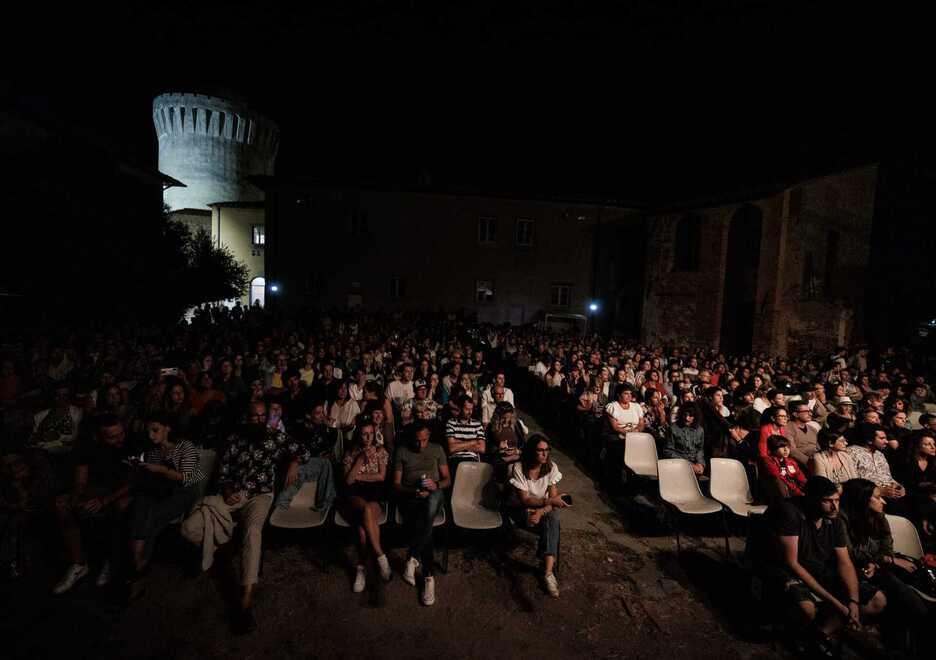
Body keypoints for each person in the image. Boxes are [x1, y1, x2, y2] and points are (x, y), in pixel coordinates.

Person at [181, 401, 310, 633]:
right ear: (247, 418)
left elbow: (304, 451)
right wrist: (228, 490)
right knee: (188, 528)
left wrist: (294, 462)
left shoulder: (275, 437)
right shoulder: (234, 439)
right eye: (255, 416)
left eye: (263, 416)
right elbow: (222, 474)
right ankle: (227, 543)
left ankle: (245, 603)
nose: (259, 420)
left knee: (252, 533)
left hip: (260, 496)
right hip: (233, 494)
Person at [766, 476, 887, 654]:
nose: (834, 506)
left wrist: (853, 601)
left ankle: (822, 633)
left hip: (817, 566)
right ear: (811, 500)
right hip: (785, 567)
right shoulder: (790, 513)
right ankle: (806, 633)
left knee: (878, 600)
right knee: (807, 609)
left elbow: (844, 562)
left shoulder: (835, 518)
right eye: (827, 501)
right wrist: (839, 605)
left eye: (837, 500)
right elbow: (792, 563)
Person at [839, 479, 928, 654]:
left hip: (879, 567)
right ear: (862, 499)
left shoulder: (877, 517)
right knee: (914, 607)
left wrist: (884, 559)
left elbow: (887, 548)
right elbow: (852, 554)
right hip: (859, 572)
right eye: (878, 498)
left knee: (910, 605)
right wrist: (885, 560)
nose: (883, 502)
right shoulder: (843, 519)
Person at [52, 414, 136, 594]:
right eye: (112, 436)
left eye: (121, 433)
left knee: (116, 509)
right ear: (99, 437)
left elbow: (134, 482)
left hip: (122, 491)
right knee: (63, 506)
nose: (119, 438)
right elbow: (80, 481)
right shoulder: (87, 447)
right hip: (98, 489)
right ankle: (79, 564)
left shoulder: (131, 444)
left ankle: (111, 561)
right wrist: (73, 498)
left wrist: (105, 500)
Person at [126, 412, 204, 595]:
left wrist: (162, 470)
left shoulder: (185, 446)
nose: (151, 435)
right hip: (159, 493)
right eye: (149, 432)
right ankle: (138, 564)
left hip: (183, 493)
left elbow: (188, 478)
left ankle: (135, 565)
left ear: (167, 428)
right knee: (142, 509)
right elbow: (150, 481)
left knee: (149, 516)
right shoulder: (152, 453)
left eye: (155, 430)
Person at [393, 422, 451, 606]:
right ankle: (428, 578)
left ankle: (412, 556)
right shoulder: (402, 451)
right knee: (426, 523)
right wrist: (413, 491)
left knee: (432, 501)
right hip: (412, 496)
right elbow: (396, 484)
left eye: (424, 440)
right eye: (417, 441)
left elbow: (447, 479)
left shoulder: (437, 449)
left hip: (434, 492)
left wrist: (436, 485)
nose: (420, 445)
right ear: (411, 438)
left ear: (429, 436)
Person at [507, 435, 569, 598]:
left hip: (541, 509)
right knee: (551, 525)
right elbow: (525, 499)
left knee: (552, 519)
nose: (544, 454)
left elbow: (553, 501)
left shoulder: (551, 467)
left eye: (546, 450)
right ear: (531, 451)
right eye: (540, 450)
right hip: (520, 509)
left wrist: (541, 511)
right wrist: (549, 502)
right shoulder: (519, 468)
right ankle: (548, 570)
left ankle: (548, 573)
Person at [339, 419, 391, 593]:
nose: (368, 437)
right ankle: (381, 557)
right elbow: (348, 480)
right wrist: (360, 459)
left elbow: (381, 477)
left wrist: (359, 477)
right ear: (358, 435)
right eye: (364, 433)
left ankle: (361, 569)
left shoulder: (381, 451)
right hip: (354, 495)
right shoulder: (351, 452)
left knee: (362, 530)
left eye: (370, 433)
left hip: (374, 494)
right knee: (365, 511)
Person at [846, 423, 906, 502]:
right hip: (869, 497)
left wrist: (900, 487)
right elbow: (853, 483)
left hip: (891, 494)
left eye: (886, 438)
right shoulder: (852, 452)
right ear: (869, 440)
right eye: (882, 438)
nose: (886, 442)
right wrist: (879, 491)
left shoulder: (880, 454)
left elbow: (888, 477)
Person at [445, 394, 486, 475]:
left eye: (471, 409)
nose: (470, 412)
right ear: (460, 408)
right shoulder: (451, 423)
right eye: (467, 409)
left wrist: (458, 443)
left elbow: (482, 448)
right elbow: (452, 448)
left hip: (472, 459)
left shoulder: (477, 424)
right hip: (456, 460)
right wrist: (472, 442)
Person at [661, 403, 705, 476]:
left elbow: (700, 449)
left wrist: (700, 464)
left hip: (695, 466)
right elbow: (668, 451)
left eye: (690, 416)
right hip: (677, 466)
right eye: (685, 415)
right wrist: (688, 464)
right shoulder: (673, 428)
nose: (687, 418)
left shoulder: (700, 430)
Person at [486, 401, 526, 482]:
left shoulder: (516, 425)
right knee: (508, 468)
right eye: (503, 418)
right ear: (498, 416)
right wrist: (499, 448)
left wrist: (518, 451)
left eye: (509, 417)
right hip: (500, 457)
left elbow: (523, 443)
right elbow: (488, 447)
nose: (506, 420)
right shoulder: (491, 427)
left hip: (516, 455)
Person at [760, 434, 807, 502]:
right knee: (780, 482)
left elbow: (800, 477)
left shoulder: (791, 462)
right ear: (774, 449)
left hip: (793, 490)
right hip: (776, 493)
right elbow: (779, 478)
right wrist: (798, 492)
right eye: (782, 447)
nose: (786, 450)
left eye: (787, 447)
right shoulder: (768, 461)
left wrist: (807, 488)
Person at [786, 401, 819, 466]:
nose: (810, 414)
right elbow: (793, 452)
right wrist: (810, 463)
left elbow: (819, 447)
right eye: (806, 412)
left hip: (817, 458)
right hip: (802, 462)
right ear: (795, 414)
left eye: (810, 411)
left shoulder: (812, 429)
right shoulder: (788, 429)